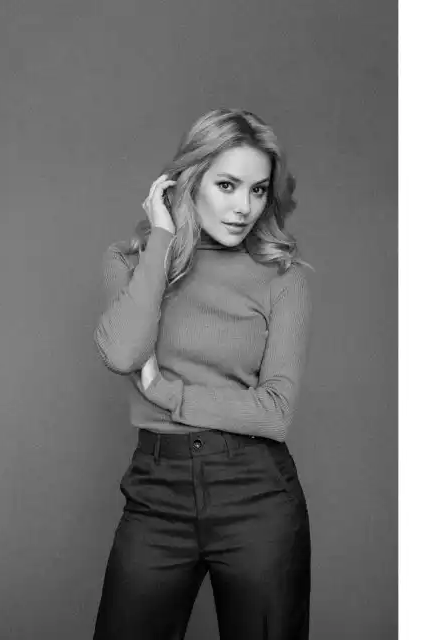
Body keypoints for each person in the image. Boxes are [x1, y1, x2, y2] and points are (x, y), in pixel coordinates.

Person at [92, 108, 313, 640]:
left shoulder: (283, 278)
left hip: (256, 493)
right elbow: (122, 352)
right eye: (227, 185)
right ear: (188, 181)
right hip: (156, 492)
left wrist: (165, 391)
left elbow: (274, 412)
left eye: (258, 190)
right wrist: (163, 237)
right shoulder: (132, 261)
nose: (244, 208)